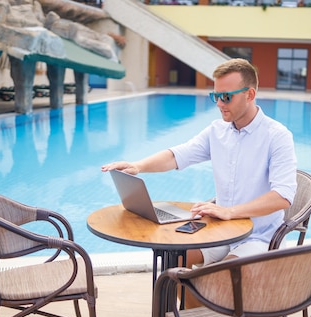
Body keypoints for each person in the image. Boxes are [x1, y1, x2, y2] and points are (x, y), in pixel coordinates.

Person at [101, 58, 297, 269]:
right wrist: (138, 166)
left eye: (226, 97)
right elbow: (178, 155)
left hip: (259, 237)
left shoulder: (277, 136)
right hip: (223, 231)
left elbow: (283, 196)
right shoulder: (217, 131)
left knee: (222, 277)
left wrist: (230, 211)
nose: (220, 104)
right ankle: (195, 304)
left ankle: (206, 301)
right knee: (173, 261)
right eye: (216, 96)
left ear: (250, 94)